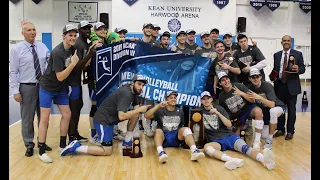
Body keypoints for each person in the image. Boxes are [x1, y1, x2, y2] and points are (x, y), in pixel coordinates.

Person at [60, 75, 151, 157]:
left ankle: (127, 141)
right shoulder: (126, 93)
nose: (141, 87)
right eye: (139, 84)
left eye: (143, 85)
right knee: (107, 151)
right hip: (103, 121)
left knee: (135, 113)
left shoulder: (133, 91)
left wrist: (135, 134)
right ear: (132, 83)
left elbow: (136, 110)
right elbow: (121, 116)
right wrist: (139, 110)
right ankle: (76, 147)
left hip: (111, 119)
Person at [200, 91, 276, 170]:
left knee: (245, 148)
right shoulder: (199, 112)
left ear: (211, 99)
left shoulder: (219, 108)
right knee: (207, 147)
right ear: (201, 101)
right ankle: (232, 160)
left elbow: (229, 124)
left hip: (230, 136)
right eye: (204, 99)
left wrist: (217, 113)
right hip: (217, 141)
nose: (206, 101)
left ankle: (264, 159)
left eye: (208, 98)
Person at [37, 24, 80, 163]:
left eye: (75, 35)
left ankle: (62, 145)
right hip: (48, 87)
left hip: (61, 88)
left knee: (67, 115)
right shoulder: (57, 52)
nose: (73, 38)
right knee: (44, 119)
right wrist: (73, 64)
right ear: (64, 36)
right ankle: (41, 151)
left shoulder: (73, 50)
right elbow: (60, 76)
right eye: (70, 35)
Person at [9, 22, 52, 157]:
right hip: (27, 88)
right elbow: (13, 72)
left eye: (33, 29)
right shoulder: (16, 49)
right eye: (28, 30)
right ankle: (29, 145)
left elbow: (48, 64)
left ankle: (42, 142)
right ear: (23, 33)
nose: (32, 32)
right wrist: (15, 91)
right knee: (27, 119)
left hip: (43, 87)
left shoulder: (42, 46)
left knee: (43, 118)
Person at [144, 91, 205, 163]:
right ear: (166, 99)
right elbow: (146, 116)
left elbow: (181, 126)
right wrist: (158, 106)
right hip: (164, 138)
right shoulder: (160, 111)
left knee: (186, 129)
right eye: (171, 98)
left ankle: (194, 150)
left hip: (176, 138)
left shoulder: (180, 111)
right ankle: (161, 152)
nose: (173, 99)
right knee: (157, 131)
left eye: (175, 98)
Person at [217, 71, 264, 151]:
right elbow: (225, 113)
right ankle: (244, 127)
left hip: (247, 109)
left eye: (227, 79)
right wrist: (232, 124)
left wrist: (241, 93)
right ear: (220, 84)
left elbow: (252, 100)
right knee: (235, 141)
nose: (226, 81)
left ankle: (257, 141)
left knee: (258, 111)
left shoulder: (239, 86)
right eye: (223, 80)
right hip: (238, 118)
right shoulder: (221, 96)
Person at [271, 35, 305, 140]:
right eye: (284, 41)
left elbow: (303, 68)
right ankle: (281, 129)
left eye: (288, 41)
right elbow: (276, 69)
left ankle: (290, 131)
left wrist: (299, 69)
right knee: (280, 109)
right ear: (281, 42)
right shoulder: (276, 55)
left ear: (291, 43)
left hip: (292, 86)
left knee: (291, 110)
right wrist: (272, 76)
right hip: (279, 85)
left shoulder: (298, 54)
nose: (286, 42)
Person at [67, 20, 95, 143]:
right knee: (74, 108)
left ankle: (74, 133)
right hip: (71, 81)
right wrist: (90, 55)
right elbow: (77, 67)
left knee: (78, 106)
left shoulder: (85, 43)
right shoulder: (78, 44)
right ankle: (71, 136)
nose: (87, 30)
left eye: (89, 28)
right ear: (79, 31)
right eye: (84, 28)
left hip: (77, 81)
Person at [247, 68, 285, 149]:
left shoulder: (267, 85)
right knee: (263, 135)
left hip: (278, 106)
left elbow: (272, 104)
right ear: (250, 78)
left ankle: (269, 140)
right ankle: (273, 127)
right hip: (266, 114)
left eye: (257, 76)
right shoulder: (249, 88)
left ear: (260, 77)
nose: (255, 79)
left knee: (273, 111)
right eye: (253, 77)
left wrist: (259, 97)